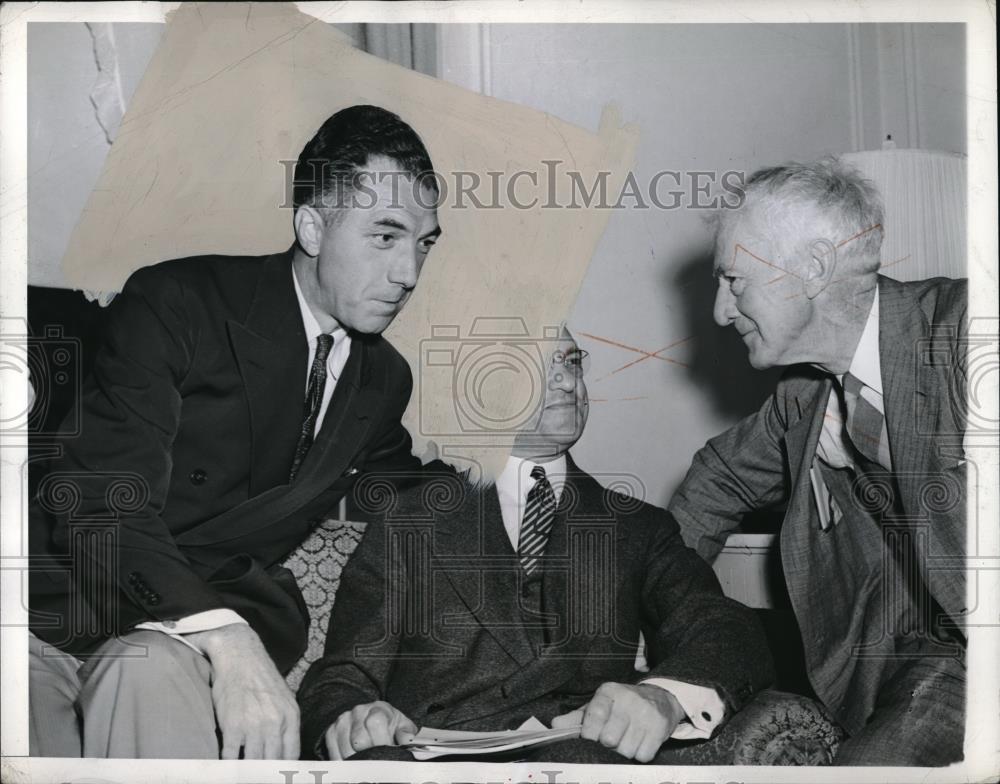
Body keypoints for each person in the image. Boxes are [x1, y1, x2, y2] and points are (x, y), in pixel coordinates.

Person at [28, 105, 442, 759]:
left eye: (423, 244)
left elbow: (407, 484)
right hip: (52, 616)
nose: (409, 274)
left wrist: (522, 484)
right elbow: (101, 502)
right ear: (312, 227)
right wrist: (225, 634)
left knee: (147, 674)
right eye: (386, 237)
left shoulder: (381, 377)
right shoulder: (179, 302)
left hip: (167, 646)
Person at [297, 328, 774, 764]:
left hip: (579, 758)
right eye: (541, 366)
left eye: (572, 362)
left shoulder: (639, 528)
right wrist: (353, 717)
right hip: (429, 760)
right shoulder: (408, 519)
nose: (566, 381)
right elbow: (344, 675)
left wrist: (664, 696)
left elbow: (722, 625)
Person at [669, 159, 967, 765]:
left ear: (813, 268)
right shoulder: (804, 396)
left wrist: (876, 449)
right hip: (939, 665)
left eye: (734, 281)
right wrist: (667, 621)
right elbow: (715, 482)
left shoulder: (968, 332)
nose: (721, 312)